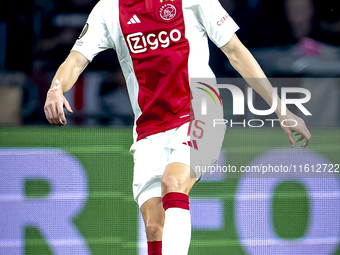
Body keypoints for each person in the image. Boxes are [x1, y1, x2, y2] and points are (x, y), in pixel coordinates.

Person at [44, 0, 311, 254]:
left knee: (173, 183)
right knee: (153, 228)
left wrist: (280, 108)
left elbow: (236, 52)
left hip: (201, 112)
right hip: (149, 128)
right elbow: (76, 60)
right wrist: (56, 89)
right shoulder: (109, 8)